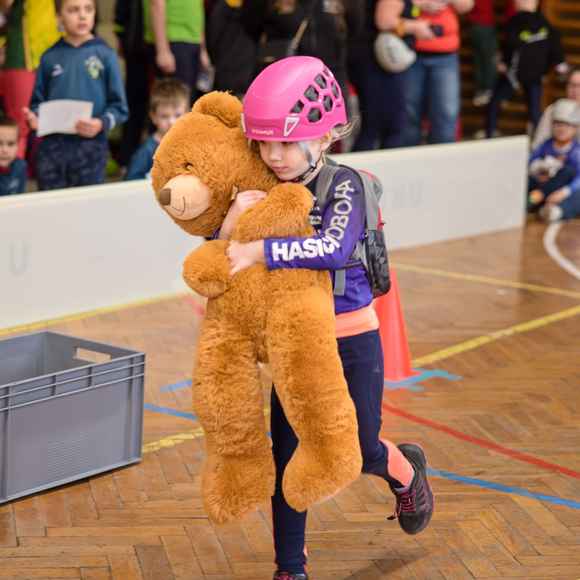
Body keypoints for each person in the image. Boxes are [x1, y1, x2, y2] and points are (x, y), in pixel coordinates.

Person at [222, 56, 434, 580]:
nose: (273, 156)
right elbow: (219, 251)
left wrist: (262, 250)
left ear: (325, 135)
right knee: (289, 456)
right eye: (264, 144)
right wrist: (232, 219)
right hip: (294, 342)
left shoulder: (347, 185)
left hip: (352, 336)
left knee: (357, 448)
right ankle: (290, 568)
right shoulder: (266, 183)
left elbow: (334, 248)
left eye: (286, 142)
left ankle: (405, 473)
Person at [22, 0, 128, 190]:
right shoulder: (49, 57)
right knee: (51, 203)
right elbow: (36, 104)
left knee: (87, 203)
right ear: (59, 17)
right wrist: (35, 119)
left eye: (88, 9)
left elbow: (120, 108)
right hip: (52, 149)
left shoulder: (106, 55)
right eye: (73, 10)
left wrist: (100, 123)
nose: (82, 15)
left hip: (92, 147)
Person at [347, 0, 435, 151]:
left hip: (372, 58)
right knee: (388, 125)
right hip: (376, 60)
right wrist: (416, 27)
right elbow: (384, 21)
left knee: (376, 125)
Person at [485, 0, 567, 139]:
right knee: (533, 109)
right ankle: (536, 137)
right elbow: (555, 46)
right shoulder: (544, 23)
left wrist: (504, 62)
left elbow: (509, 44)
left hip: (516, 74)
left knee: (496, 102)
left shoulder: (517, 22)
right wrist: (559, 63)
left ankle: (490, 132)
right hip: (533, 74)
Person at [403, 0, 474, 146]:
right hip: (409, 52)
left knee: (446, 113)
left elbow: (466, 5)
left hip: (446, 55)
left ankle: (443, 158)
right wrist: (421, 3)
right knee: (409, 113)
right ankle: (409, 156)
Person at [0, 0, 60, 159]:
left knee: (53, 123)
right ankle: (14, 173)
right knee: (20, 126)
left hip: (53, 54)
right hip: (20, 56)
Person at [125, 78, 189, 180]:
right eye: (164, 116)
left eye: (177, 115)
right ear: (154, 117)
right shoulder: (147, 151)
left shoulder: (190, 144)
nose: (171, 122)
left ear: (187, 114)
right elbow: (131, 181)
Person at [143, 0, 208, 102]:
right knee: (174, 102)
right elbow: (156, 3)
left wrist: (202, 48)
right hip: (172, 41)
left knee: (189, 100)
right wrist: (162, 50)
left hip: (192, 40)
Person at [528, 98, 580, 223]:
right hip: (542, 187)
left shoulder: (576, 152)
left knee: (568, 173)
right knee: (529, 184)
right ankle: (532, 201)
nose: (562, 129)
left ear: (575, 128)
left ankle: (556, 211)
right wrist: (539, 170)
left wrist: (564, 192)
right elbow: (531, 162)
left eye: (567, 125)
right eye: (558, 124)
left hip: (563, 192)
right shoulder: (545, 145)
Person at [532, 67, 580, 149]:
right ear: (566, 87)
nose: (575, 90)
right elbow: (538, 143)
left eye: (579, 86)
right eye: (572, 85)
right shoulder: (552, 110)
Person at [468, 0, 496, 106]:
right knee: (487, 60)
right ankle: (486, 90)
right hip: (483, 25)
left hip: (477, 25)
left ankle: (482, 91)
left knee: (480, 60)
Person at [0, 117, 27, 194]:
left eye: (11, 144)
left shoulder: (21, 166)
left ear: (18, 146)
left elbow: (20, 196)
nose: (5, 150)